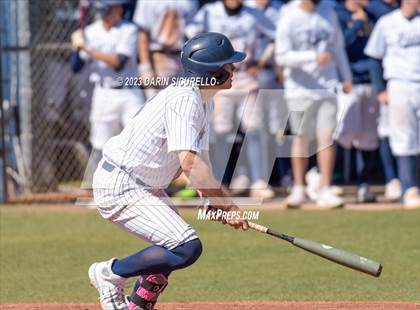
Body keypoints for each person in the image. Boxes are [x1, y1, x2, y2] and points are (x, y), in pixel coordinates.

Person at [88, 32, 249, 310]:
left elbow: (201, 160)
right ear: (210, 72)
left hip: (142, 184)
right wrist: (228, 204)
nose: (233, 69)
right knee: (186, 247)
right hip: (123, 185)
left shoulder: (200, 98)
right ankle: (110, 273)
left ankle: (138, 305)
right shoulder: (185, 100)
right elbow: (189, 164)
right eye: (227, 65)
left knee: (170, 244)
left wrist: (212, 199)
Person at [186, 0, 277, 199]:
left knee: (253, 129)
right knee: (220, 132)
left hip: (246, 76)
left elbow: (275, 36)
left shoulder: (254, 13)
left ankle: (259, 181)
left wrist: (261, 62)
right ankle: (219, 180)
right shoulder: (209, 11)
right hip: (219, 78)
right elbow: (191, 35)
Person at [275, 0, 353, 208]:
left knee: (326, 138)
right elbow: (281, 56)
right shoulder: (288, 14)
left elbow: (338, 47)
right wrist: (312, 57)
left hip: (327, 87)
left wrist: (346, 76)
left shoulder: (329, 11)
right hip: (297, 90)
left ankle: (325, 188)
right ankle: (298, 187)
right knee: (298, 137)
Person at [70, 0, 145, 170]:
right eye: (117, 7)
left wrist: (88, 48)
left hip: (129, 93)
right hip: (103, 93)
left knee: (139, 138)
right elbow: (76, 67)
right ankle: (103, 187)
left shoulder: (128, 30)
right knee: (101, 143)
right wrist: (76, 47)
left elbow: (118, 63)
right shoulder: (90, 31)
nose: (121, 9)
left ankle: (140, 185)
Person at [364, 0, 420, 209]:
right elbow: (374, 58)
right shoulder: (387, 22)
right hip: (399, 83)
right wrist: (380, 88)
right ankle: (409, 189)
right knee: (403, 137)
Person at [333, 0, 379, 203]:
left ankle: (364, 184)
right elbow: (338, 46)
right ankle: (320, 176)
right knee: (341, 134)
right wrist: (357, 24)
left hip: (371, 82)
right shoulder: (337, 13)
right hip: (348, 83)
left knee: (368, 138)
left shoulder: (374, 14)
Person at [133, 0, 198, 99]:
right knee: (157, 107)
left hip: (183, 59)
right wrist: (145, 66)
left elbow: (193, 33)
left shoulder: (190, 2)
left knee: (182, 106)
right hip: (158, 58)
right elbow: (143, 33)